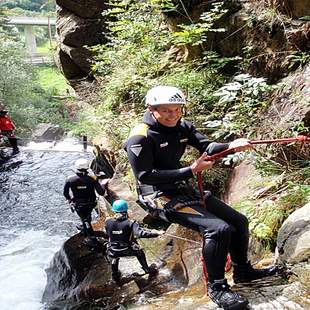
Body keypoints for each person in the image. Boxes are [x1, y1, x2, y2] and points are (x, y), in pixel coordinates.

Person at [124, 86, 277, 310]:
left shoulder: (181, 126)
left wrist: (231, 146)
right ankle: (217, 287)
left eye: (177, 110)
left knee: (238, 221)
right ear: (151, 109)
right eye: (166, 111)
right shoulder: (141, 136)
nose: (173, 115)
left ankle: (243, 271)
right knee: (218, 229)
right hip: (156, 195)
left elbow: (207, 146)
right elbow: (145, 175)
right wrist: (191, 170)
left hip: (181, 188)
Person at [105, 199, 164, 284]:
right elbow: (140, 233)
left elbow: (109, 233)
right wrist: (157, 233)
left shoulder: (108, 222)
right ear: (126, 211)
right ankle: (146, 269)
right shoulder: (130, 223)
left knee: (114, 257)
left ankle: (115, 276)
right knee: (139, 252)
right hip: (127, 250)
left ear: (114, 211)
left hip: (113, 250)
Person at [64, 158, 106, 247]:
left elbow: (65, 193)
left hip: (78, 204)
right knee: (86, 217)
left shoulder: (70, 179)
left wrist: (70, 199)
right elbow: (101, 192)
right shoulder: (92, 178)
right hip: (91, 203)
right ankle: (85, 228)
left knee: (85, 219)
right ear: (87, 168)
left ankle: (92, 239)